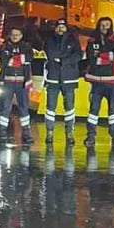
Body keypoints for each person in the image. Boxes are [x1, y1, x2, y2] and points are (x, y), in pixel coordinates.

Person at [85, 16, 114, 146]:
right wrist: (109, 56)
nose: (104, 27)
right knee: (93, 110)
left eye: (107, 25)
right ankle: (90, 137)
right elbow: (91, 57)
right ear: (98, 26)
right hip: (96, 81)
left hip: (112, 81)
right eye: (102, 25)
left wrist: (101, 56)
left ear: (111, 26)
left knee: (113, 110)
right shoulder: (92, 40)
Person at [41, 17, 82, 145]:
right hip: (53, 78)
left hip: (69, 79)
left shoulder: (73, 40)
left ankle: (69, 133)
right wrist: (67, 56)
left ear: (66, 28)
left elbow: (79, 55)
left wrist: (63, 60)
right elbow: (51, 54)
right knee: (50, 108)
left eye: (63, 27)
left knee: (69, 108)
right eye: (58, 26)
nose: (60, 29)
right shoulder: (49, 40)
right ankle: (49, 133)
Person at [0, 25, 33, 144]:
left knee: (24, 108)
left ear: (21, 36)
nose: (15, 37)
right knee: (5, 107)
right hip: (7, 82)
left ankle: (26, 133)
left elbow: (29, 58)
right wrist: (19, 59)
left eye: (17, 35)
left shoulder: (26, 46)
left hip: (23, 82)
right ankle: (2, 132)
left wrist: (13, 59)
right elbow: (4, 60)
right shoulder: (4, 46)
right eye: (13, 35)